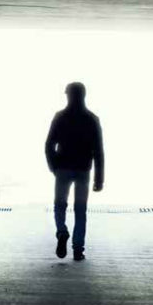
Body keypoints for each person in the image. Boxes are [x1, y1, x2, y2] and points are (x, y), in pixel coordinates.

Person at [45, 82, 104, 261]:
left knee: (60, 205)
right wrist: (99, 178)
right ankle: (78, 249)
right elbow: (98, 150)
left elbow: (49, 144)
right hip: (83, 170)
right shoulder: (92, 119)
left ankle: (62, 231)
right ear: (84, 95)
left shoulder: (60, 117)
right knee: (80, 210)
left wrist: (54, 166)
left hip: (62, 168)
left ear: (68, 95)